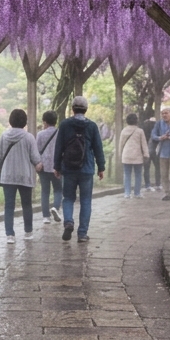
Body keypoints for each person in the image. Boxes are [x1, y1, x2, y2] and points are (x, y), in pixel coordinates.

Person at [53, 96, 105, 242]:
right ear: (86, 109)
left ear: (72, 109)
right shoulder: (92, 126)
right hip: (87, 168)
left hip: (68, 168)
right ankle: (82, 234)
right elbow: (98, 148)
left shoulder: (65, 125)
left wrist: (57, 166)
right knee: (86, 200)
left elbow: (59, 147)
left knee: (68, 198)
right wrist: (101, 167)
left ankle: (68, 221)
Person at [0, 108, 43, 243]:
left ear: (10, 120)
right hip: (24, 175)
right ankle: (28, 232)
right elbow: (35, 158)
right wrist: (39, 165)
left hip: (8, 176)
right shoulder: (29, 137)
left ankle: (10, 234)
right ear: (25, 122)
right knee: (27, 204)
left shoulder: (4, 136)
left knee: (9, 205)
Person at [36, 110, 63, 223]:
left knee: (45, 191)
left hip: (43, 167)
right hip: (57, 166)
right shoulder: (61, 133)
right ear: (56, 121)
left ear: (45, 122)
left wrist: (37, 163)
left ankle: (46, 217)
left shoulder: (40, 134)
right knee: (58, 190)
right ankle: (55, 208)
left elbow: (36, 151)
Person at [118, 112, 150, 198]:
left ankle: (127, 193)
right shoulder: (139, 131)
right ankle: (137, 193)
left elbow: (121, 144)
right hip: (137, 155)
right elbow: (144, 144)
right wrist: (146, 154)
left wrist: (120, 154)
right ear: (136, 121)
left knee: (127, 174)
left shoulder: (124, 130)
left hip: (126, 155)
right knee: (138, 174)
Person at [142, 113, 161, 192]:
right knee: (158, 167)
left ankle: (147, 185)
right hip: (155, 149)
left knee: (146, 168)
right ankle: (158, 184)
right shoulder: (157, 126)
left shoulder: (144, 126)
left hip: (146, 149)